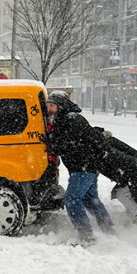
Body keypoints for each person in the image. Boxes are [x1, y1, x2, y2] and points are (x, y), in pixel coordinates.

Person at [45, 91, 116, 244]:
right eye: (48, 105)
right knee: (90, 200)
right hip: (86, 166)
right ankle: (109, 232)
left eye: (52, 106)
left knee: (71, 199)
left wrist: (48, 142)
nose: (49, 109)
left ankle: (87, 236)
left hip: (83, 167)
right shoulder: (65, 118)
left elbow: (65, 145)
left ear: (61, 106)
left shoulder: (71, 119)